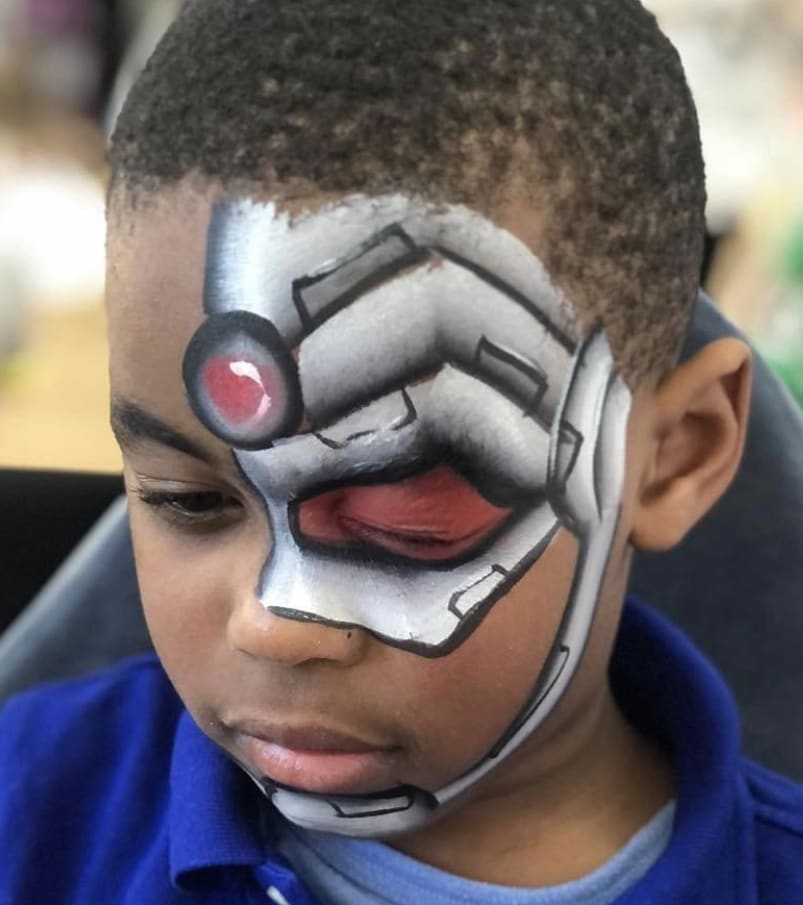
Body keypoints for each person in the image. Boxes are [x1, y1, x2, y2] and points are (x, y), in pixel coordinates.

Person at [2, 1, 802, 903]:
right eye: (188, 500)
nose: (272, 624)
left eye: (404, 520)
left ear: (675, 455)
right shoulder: (32, 813)